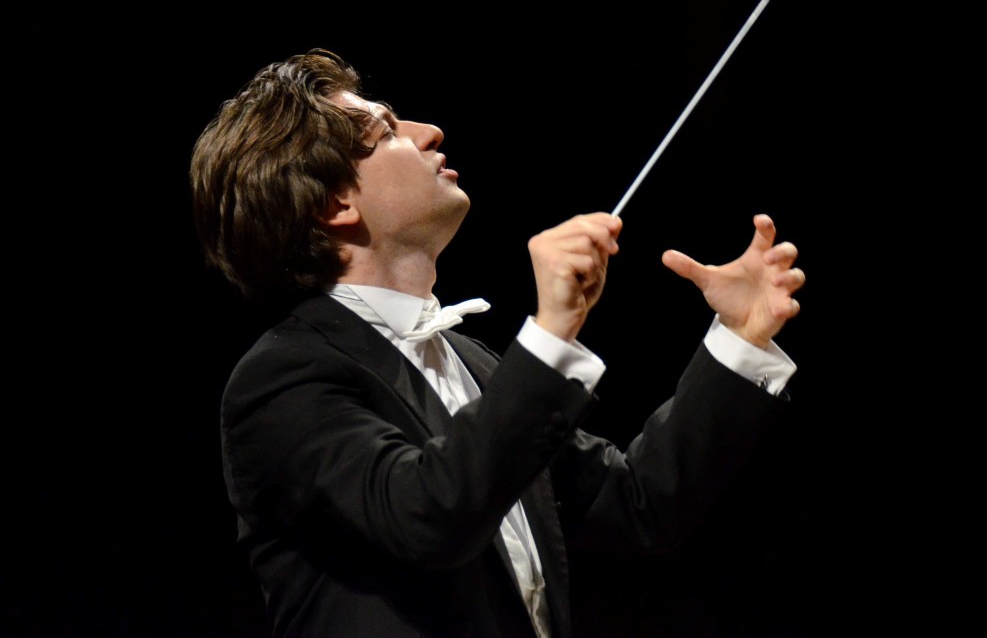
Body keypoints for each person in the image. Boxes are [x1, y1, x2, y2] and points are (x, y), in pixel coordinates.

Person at [190, 48, 805, 638]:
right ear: (335, 203)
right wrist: (549, 332)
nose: (429, 131)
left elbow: (637, 503)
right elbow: (429, 513)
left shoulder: (469, 364)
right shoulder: (282, 379)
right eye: (387, 131)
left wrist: (741, 340)